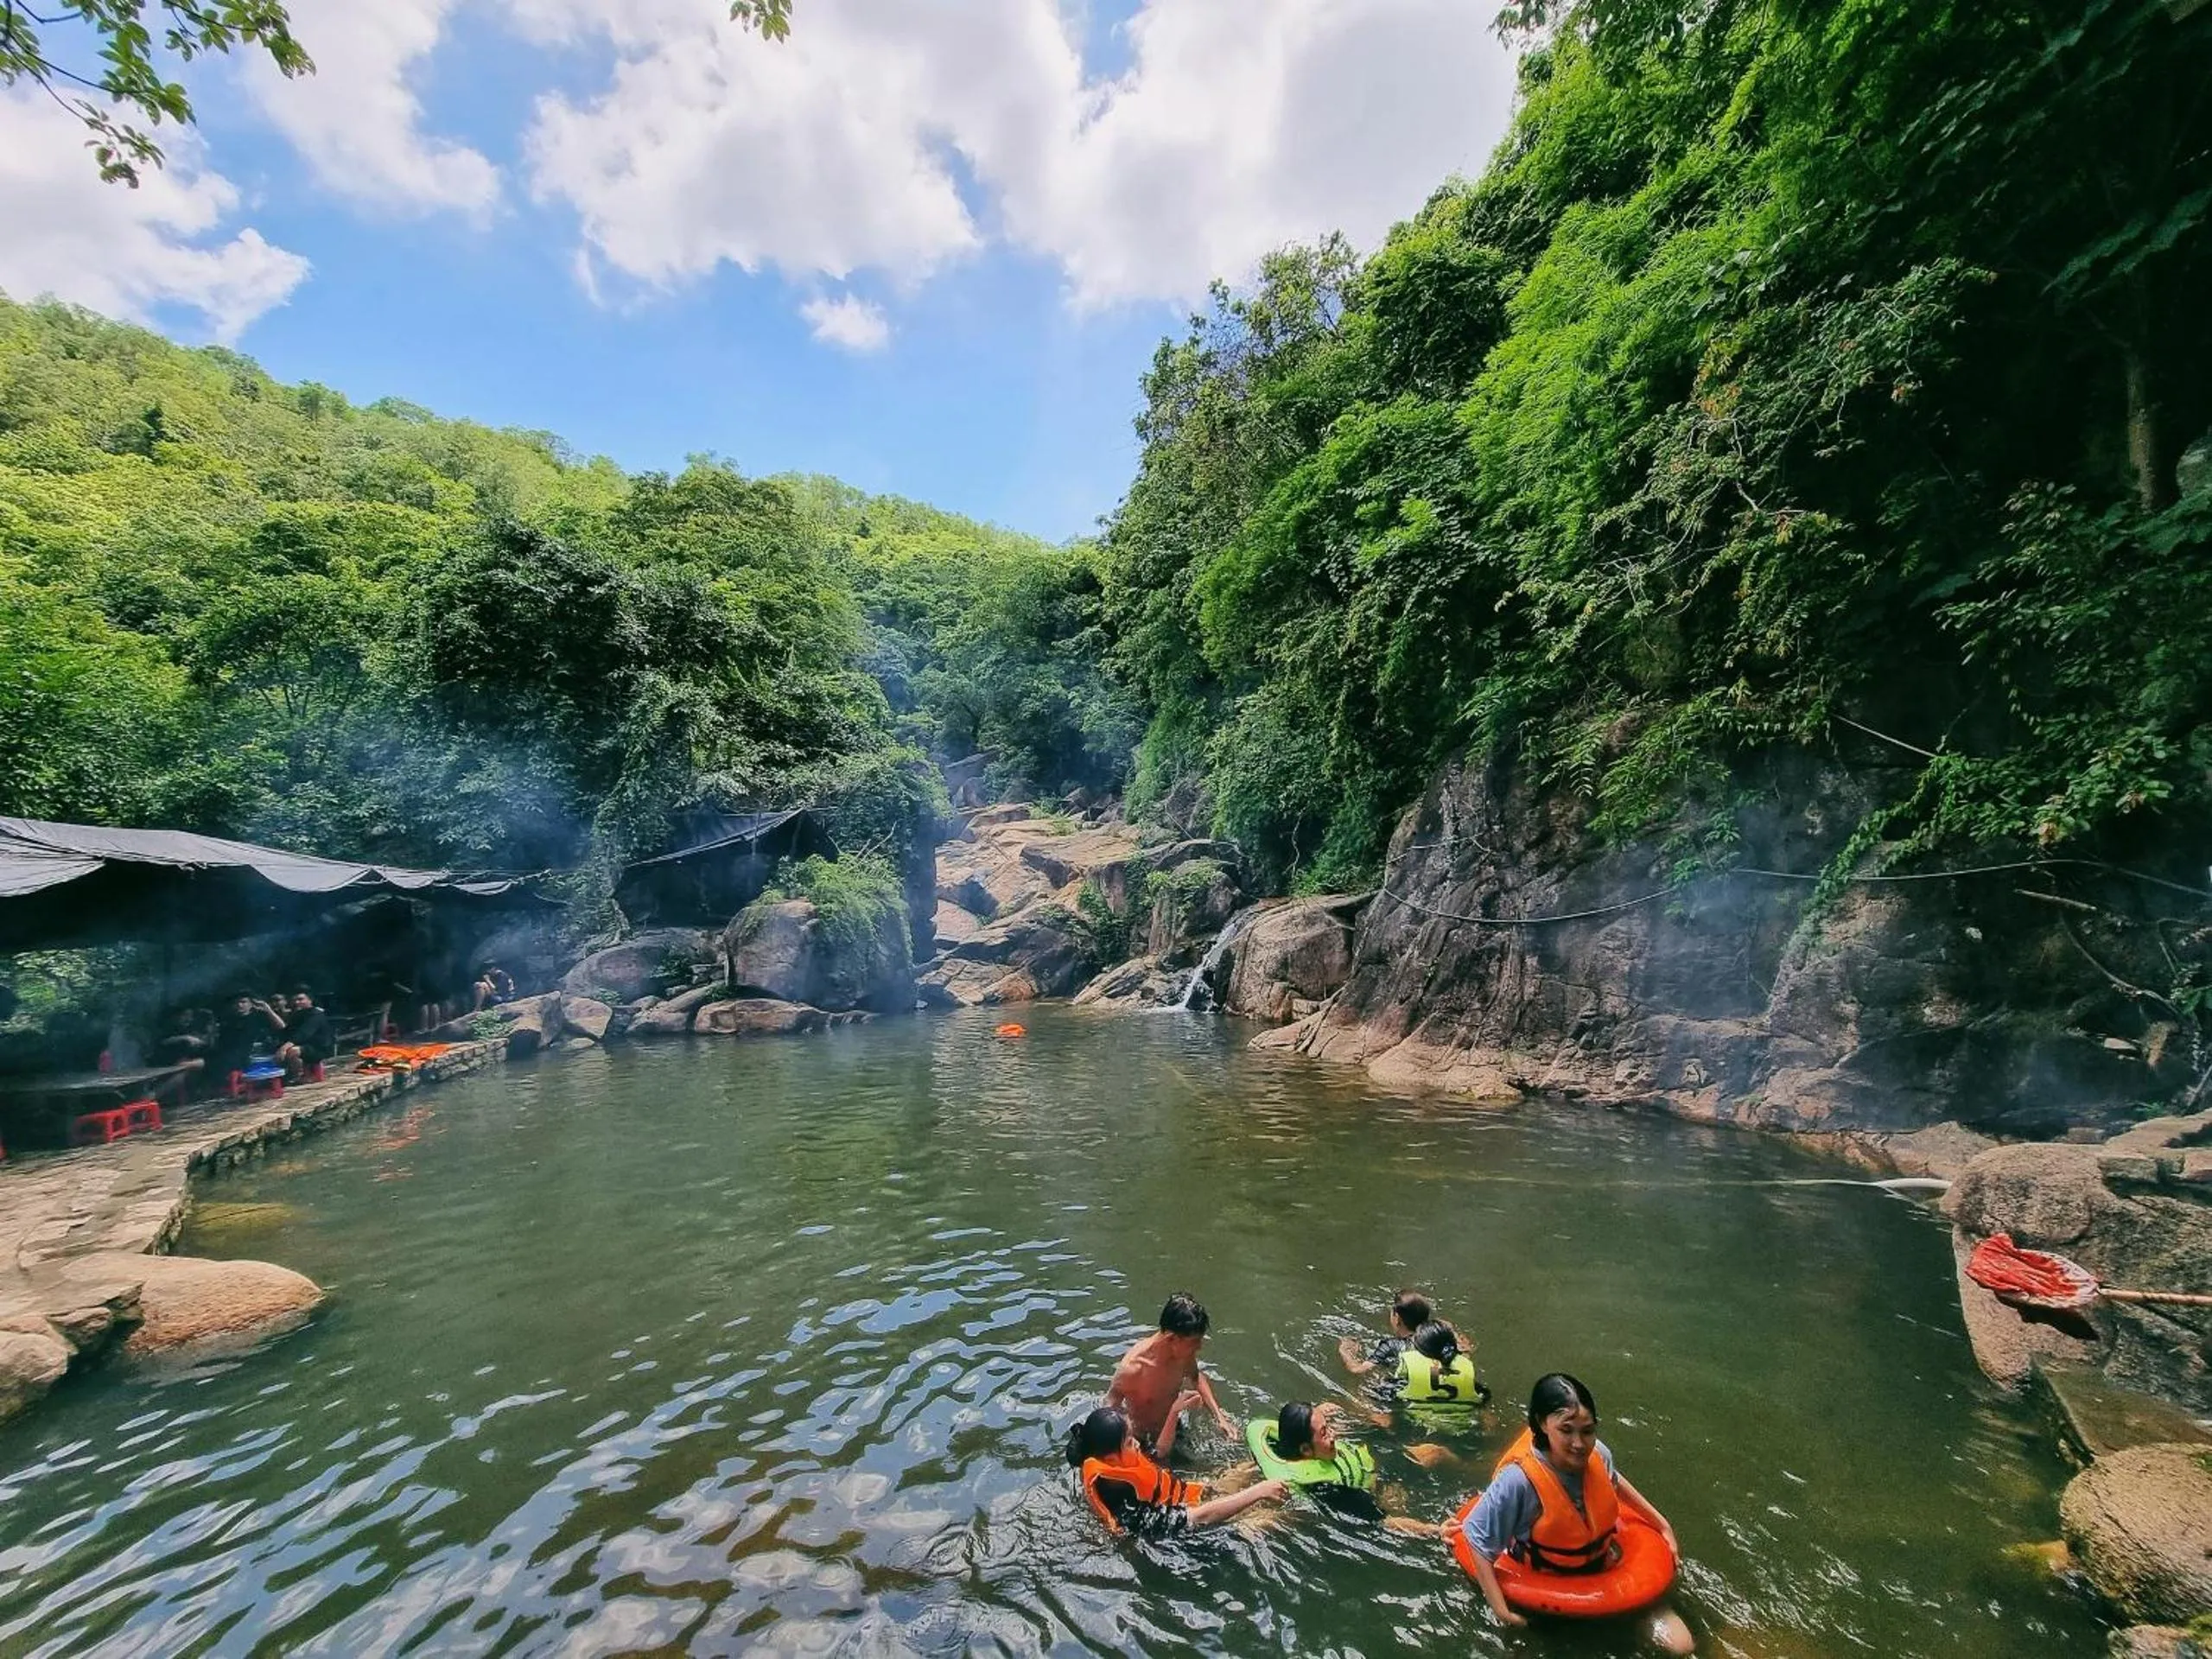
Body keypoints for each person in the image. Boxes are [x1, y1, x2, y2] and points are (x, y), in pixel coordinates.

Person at [1458, 1373, 1694, 1655]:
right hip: (1545, 1594)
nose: (1579, 1443)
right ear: (1543, 1423)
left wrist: (1661, 1524)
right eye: (1566, 1430)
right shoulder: (1519, 1481)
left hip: (1605, 1574)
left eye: (1588, 1431)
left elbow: (1616, 1483)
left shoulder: (1599, 1455)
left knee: (1681, 1646)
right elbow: (1478, 1540)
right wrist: (1502, 1611)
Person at [1066, 1406, 1287, 1536]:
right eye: (1128, 1441)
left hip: (1182, 1501)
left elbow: (1157, 1454)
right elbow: (1200, 1517)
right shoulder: (1129, 1512)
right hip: (1179, 1542)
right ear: (1112, 1458)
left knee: (1243, 1470)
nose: (1136, 1444)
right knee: (1278, 1518)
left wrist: (1173, 1412)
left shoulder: (1116, 1462)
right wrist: (1258, 1491)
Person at [1105, 1292, 1236, 1455]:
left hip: (1174, 1428)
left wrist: (1219, 1417)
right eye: (1194, 1341)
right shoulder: (1133, 1368)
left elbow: (1195, 1377)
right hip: (1142, 1442)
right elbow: (1108, 1410)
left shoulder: (1182, 1356)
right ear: (1171, 1339)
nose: (1199, 1347)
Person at [1338, 1288, 1435, 1377]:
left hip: (1394, 1391)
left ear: (1397, 1318)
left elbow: (1358, 1370)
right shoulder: (1435, 1341)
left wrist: (1346, 1353)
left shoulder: (1391, 1346)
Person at [211, 992, 294, 1084]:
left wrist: (268, 1010)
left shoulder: (259, 1017)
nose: (240, 1005)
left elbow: (282, 1027)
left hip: (253, 1055)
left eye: (243, 1002)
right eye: (237, 1003)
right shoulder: (228, 1021)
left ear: (251, 1004)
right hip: (231, 1055)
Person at [284, 989, 335, 1075]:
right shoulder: (297, 1015)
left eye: (300, 999)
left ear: (310, 1000)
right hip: (307, 1046)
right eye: (294, 1000)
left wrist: (284, 1048)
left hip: (321, 1048)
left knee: (292, 1051)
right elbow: (287, 1031)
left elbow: (303, 1034)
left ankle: (297, 1075)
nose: (297, 1002)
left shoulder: (316, 1014)